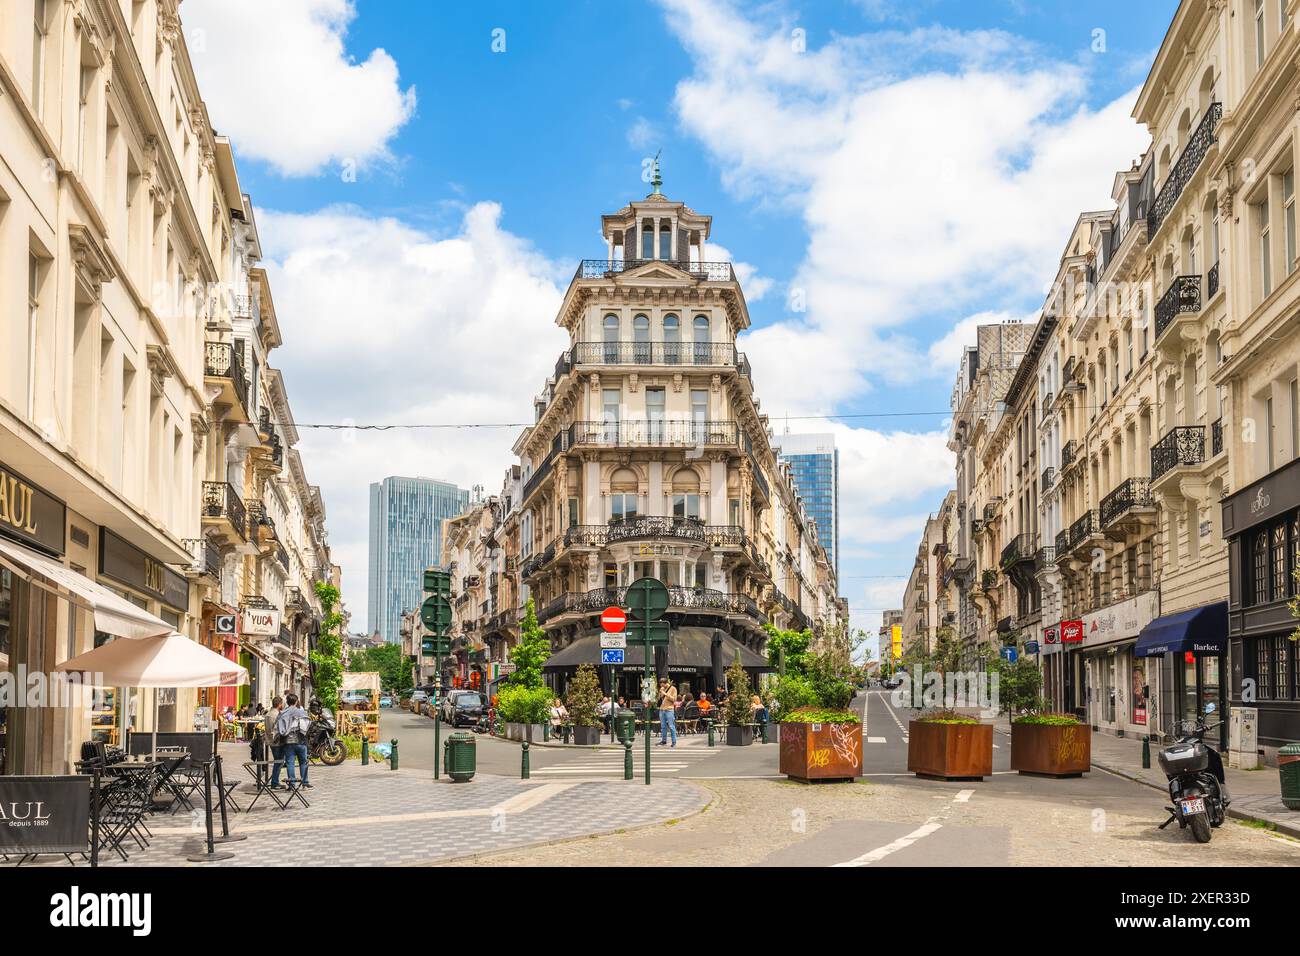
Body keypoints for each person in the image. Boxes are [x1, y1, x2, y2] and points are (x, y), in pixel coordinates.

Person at [276, 693, 312, 789]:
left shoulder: (283, 713)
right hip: (301, 741)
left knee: (290, 763)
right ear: (296, 702)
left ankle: (292, 784)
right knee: (303, 762)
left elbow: (278, 728)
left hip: (288, 742)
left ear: (287, 702)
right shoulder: (301, 712)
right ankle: (305, 782)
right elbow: (307, 725)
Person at [265, 696, 285, 789]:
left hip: (270, 740)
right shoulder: (277, 715)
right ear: (279, 704)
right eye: (282, 704)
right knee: (279, 761)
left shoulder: (269, 713)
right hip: (276, 741)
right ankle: (274, 782)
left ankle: (275, 781)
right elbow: (278, 729)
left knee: (278, 761)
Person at [657, 679, 678, 747]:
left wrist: (665, 693)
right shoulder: (662, 689)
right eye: (660, 685)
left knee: (671, 726)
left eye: (662, 684)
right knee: (663, 726)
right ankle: (663, 740)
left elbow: (674, 699)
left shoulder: (673, 689)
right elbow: (660, 699)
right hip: (662, 709)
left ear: (666, 683)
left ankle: (674, 741)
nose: (661, 686)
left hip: (669, 709)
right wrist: (660, 693)